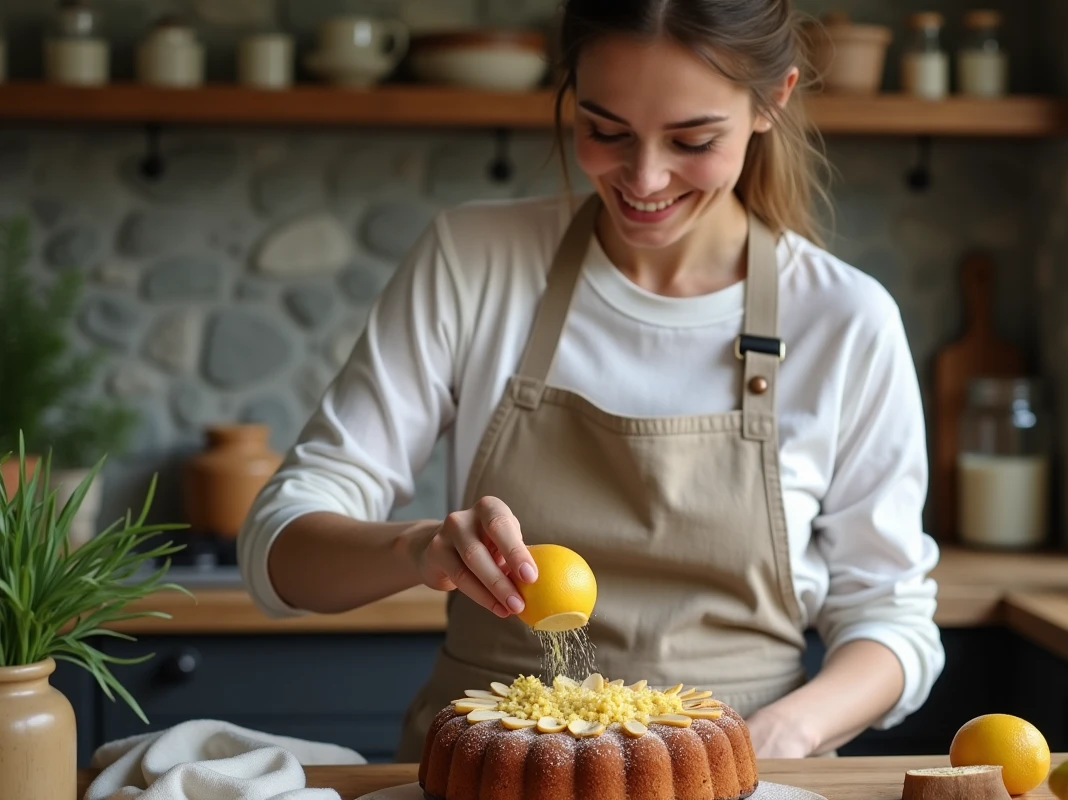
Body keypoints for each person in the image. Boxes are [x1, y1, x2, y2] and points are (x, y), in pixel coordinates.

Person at [238, 0, 944, 762]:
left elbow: (892, 620)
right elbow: (279, 552)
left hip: (742, 773)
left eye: (692, 140)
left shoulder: (844, 320)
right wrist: (417, 549)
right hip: (491, 769)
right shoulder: (474, 262)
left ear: (772, 101)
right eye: (605, 130)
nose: (643, 178)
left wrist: (778, 736)